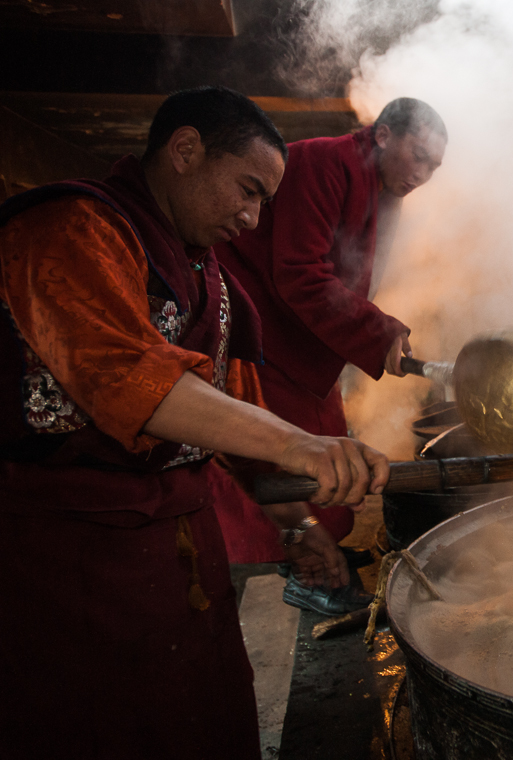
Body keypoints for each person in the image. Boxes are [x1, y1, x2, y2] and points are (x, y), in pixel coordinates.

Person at [0, 86, 389, 760]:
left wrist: (297, 523)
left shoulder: (208, 277)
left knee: (205, 720)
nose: (252, 215)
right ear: (185, 151)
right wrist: (301, 441)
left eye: (264, 200)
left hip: (182, 554)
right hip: (72, 556)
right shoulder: (69, 230)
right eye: (246, 189)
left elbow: (229, 407)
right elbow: (132, 380)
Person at [212, 97, 447, 613]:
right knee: (276, 467)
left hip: (307, 347)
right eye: (420, 156)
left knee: (328, 459)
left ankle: (322, 556)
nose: (424, 174)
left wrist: (373, 330)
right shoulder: (324, 162)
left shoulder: (382, 189)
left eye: (435, 166)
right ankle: (302, 571)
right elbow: (297, 271)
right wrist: (373, 329)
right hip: (263, 339)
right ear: (383, 134)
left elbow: (356, 274)